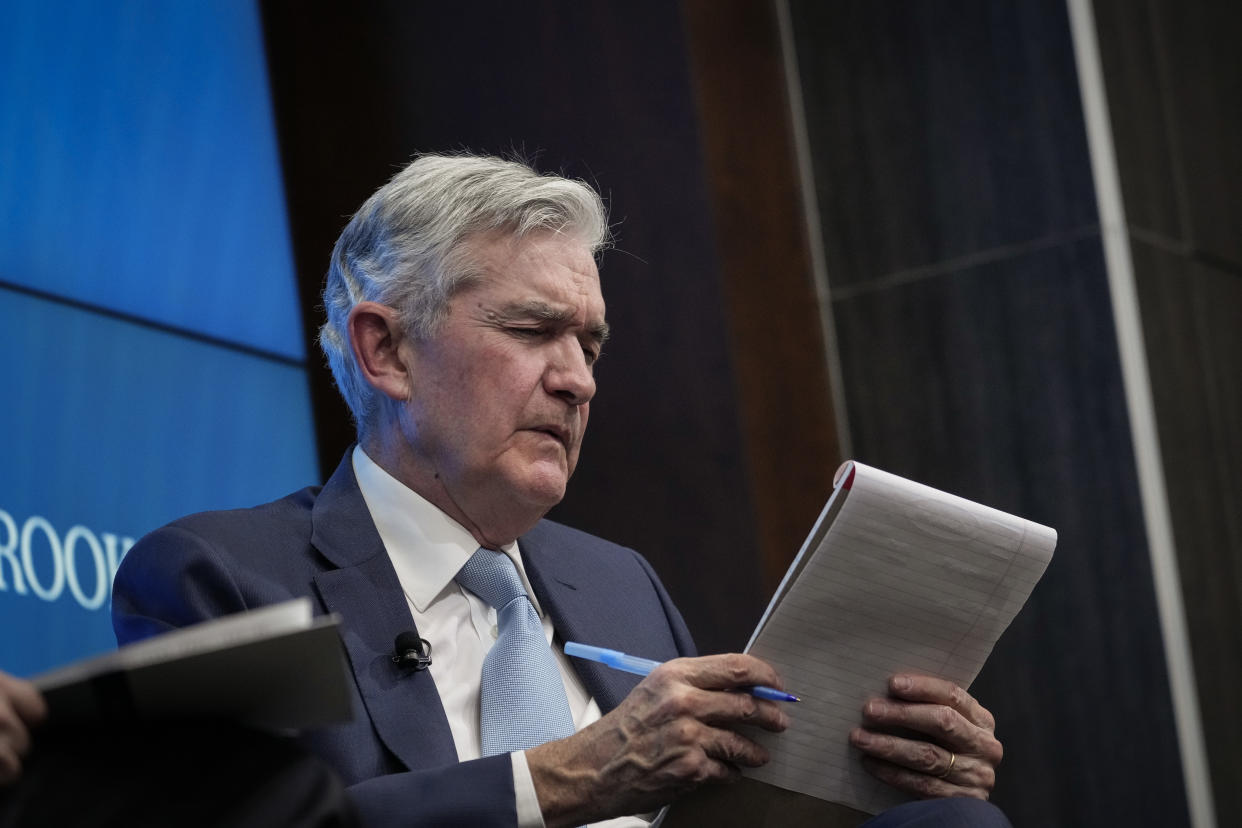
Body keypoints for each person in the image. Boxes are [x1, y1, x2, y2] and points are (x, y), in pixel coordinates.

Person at [112, 153, 1008, 827]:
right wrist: (572, 775)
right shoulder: (227, 577)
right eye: (535, 330)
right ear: (385, 349)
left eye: (591, 345)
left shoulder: (620, 587)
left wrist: (887, 781)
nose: (578, 380)